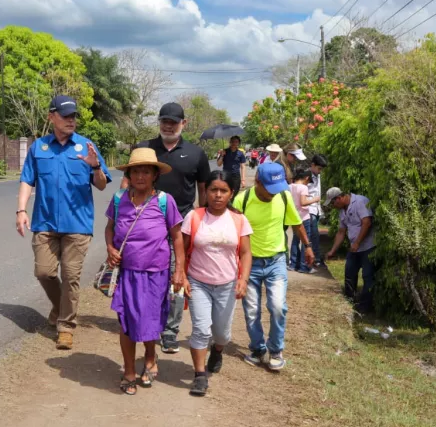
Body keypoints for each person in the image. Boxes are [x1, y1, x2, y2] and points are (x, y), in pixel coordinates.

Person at [16, 95, 111, 350]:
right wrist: (21, 210)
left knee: (70, 277)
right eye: (65, 116)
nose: (71, 120)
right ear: (52, 117)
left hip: (78, 225)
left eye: (73, 116)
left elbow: (102, 185)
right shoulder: (39, 148)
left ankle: (66, 326)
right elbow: (27, 180)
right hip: (45, 222)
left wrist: (95, 167)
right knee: (44, 272)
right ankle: (60, 308)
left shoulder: (85, 146)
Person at [120, 102, 211, 354]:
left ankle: (170, 331)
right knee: (145, 277)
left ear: (184, 123)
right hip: (146, 224)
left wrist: (202, 217)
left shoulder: (196, 153)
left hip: (181, 225)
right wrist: (122, 209)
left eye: (173, 122)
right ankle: (142, 319)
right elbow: (126, 182)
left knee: (175, 278)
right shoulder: (144, 148)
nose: (168, 126)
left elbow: (203, 188)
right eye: (164, 121)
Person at [105, 148, 185, 395]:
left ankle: (150, 357)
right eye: (136, 171)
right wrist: (110, 248)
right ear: (129, 175)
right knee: (126, 321)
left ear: (155, 175)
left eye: (146, 172)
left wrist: (179, 271)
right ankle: (129, 371)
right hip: (127, 273)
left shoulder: (164, 201)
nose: (140, 176)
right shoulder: (119, 199)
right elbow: (109, 228)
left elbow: (177, 237)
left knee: (150, 319)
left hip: (155, 273)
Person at [232, 163, 314, 371]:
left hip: (276, 261)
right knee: (252, 310)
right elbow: (233, 231)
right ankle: (257, 349)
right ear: (257, 182)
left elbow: (296, 223)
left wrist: (308, 246)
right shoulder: (242, 200)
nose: (273, 193)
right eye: (270, 189)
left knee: (277, 307)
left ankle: (276, 350)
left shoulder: (283, 197)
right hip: (249, 264)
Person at [182, 171, 253, 396]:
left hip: (227, 284)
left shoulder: (239, 220)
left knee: (222, 334)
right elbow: (182, 249)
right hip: (198, 282)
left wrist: (243, 280)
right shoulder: (194, 217)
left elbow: (245, 253)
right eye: (213, 190)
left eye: (224, 191)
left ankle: (218, 350)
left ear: (231, 193)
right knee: (201, 329)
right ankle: (200, 375)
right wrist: (181, 275)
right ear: (206, 192)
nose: (218, 195)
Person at [324, 188, 376, 313]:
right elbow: (341, 232)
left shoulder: (360, 202)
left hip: (368, 246)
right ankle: (349, 302)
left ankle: (365, 307)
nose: (333, 206)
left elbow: (367, 223)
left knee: (368, 276)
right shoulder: (342, 211)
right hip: (354, 248)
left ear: (339, 198)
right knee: (349, 273)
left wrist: (358, 242)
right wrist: (332, 251)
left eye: (333, 203)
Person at [288, 169, 320, 273]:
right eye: (309, 181)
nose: (308, 183)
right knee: (305, 242)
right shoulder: (303, 187)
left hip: (294, 217)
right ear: (306, 178)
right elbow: (303, 202)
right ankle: (304, 266)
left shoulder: (290, 186)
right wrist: (315, 199)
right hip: (304, 217)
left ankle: (293, 264)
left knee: (295, 240)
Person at [306, 155, 328, 267]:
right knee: (313, 235)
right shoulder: (306, 176)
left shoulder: (317, 175)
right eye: (319, 168)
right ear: (312, 165)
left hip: (316, 209)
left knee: (315, 235)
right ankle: (316, 259)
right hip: (310, 208)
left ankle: (314, 258)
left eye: (321, 169)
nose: (320, 171)